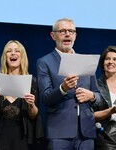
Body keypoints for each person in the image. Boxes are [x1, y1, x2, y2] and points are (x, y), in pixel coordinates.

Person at [36, 18, 102, 150]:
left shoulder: (86, 61)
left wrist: (92, 96)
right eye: (62, 31)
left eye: (71, 31)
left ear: (75, 36)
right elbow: (45, 98)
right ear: (53, 35)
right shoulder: (44, 62)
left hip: (86, 132)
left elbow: (99, 96)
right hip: (60, 132)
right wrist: (63, 88)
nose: (67, 34)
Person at [0, 40, 44, 150]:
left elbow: (34, 115)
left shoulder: (31, 82)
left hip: (21, 137)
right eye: (9, 51)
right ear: (5, 56)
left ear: (22, 56)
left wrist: (31, 105)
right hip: (0, 135)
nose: (13, 53)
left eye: (17, 51)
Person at [93, 46, 116, 150]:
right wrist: (111, 110)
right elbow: (90, 116)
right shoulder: (95, 86)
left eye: (115, 59)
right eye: (107, 59)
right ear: (102, 63)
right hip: (106, 137)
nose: (111, 62)